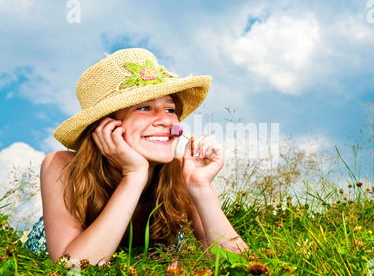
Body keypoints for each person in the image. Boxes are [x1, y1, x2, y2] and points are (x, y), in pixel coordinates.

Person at [23, 48, 248, 264]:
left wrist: (200, 189)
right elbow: (72, 271)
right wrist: (134, 176)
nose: (166, 121)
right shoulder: (63, 166)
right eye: (145, 108)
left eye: (170, 110)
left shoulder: (183, 171)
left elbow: (240, 267)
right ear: (106, 125)